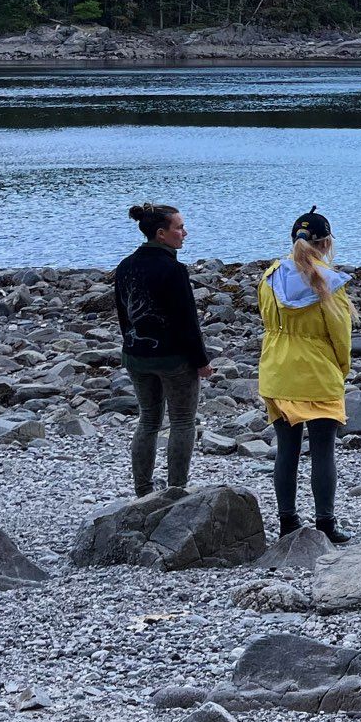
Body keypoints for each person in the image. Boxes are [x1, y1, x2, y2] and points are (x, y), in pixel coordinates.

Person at [258, 208, 355, 544]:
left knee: (288, 449)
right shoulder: (329, 282)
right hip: (316, 370)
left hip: (277, 369)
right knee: (323, 450)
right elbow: (340, 334)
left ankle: (287, 521)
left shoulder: (270, 277)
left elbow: (267, 322)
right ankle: (325, 523)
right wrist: (342, 368)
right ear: (326, 243)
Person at [114, 202, 212, 499]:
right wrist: (201, 361)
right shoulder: (173, 270)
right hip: (173, 360)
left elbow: (123, 313)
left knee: (148, 419)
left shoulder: (125, 266)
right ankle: (175, 490)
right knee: (183, 421)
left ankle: (143, 491)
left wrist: (130, 344)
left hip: (136, 355)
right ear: (161, 234)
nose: (185, 233)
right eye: (179, 228)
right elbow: (187, 322)